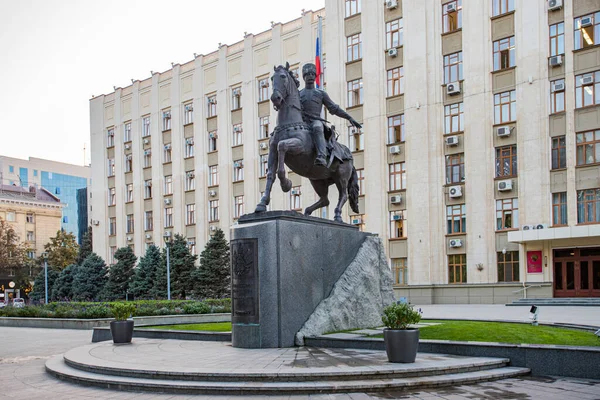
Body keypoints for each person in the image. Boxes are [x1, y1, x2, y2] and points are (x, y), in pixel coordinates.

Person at [299, 63, 362, 166]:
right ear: (303, 77)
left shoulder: (321, 93)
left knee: (317, 127)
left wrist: (349, 117)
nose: (310, 76)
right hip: (302, 122)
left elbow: (334, 108)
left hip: (315, 121)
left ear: (315, 76)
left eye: (312, 74)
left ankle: (322, 156)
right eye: (307, 74)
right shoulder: (298, 94)